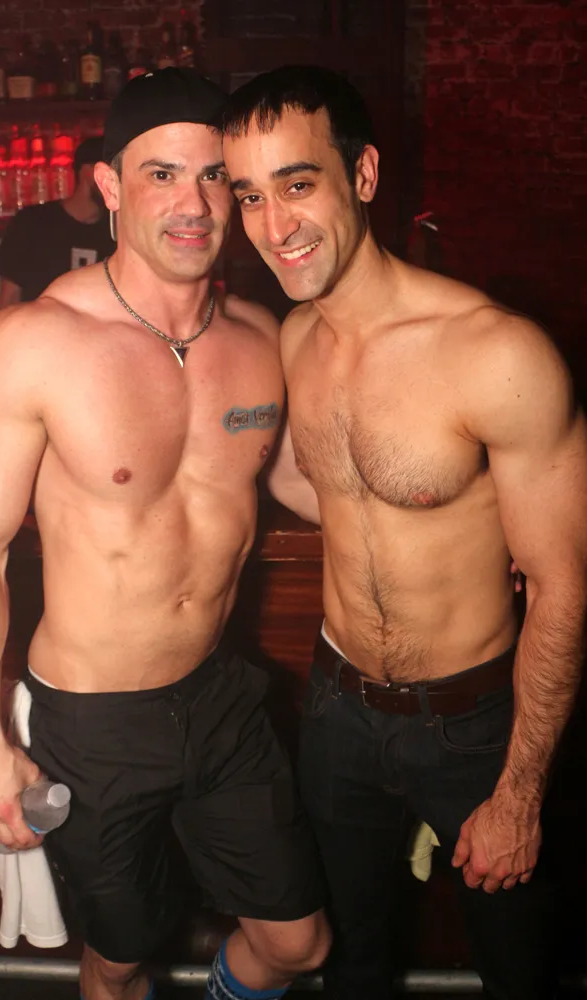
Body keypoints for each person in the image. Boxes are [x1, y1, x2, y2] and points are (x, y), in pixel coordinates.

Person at [0, 68, 329, 1000]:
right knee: (121, 957)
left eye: (214, 178)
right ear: (110, 185)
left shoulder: (259, 337)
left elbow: (291, 480)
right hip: (91, 723)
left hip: (220, 697)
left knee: (297, 944)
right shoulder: (32, 343)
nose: (193, 205)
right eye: (162, 175)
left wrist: (479, 525)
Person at [220, 65, 587, 1000]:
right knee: (350, 968)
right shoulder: (295, 340)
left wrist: (519, 792)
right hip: (337, 711)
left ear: (364, 175)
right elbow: (320, 486)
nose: (274, 225)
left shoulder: (495, 352)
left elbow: (562, 583)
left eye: (297, 184)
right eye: (250, 196)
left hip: (475, 724)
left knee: (520, 970)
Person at [0, 136, 116, 307]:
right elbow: (10, 297)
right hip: (39, 324)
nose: (115, 183)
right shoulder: (34, 222)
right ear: (88, 171)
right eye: (111, 173)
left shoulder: (116, 229)